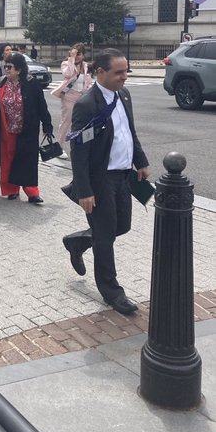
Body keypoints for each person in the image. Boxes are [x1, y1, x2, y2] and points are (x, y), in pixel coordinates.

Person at [61, 47, 150, 316]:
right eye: (119, 72)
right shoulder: (87, 104)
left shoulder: (124, 94)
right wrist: (85, 189)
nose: (125, 76)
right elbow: (80, 150)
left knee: (120, 226)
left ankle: (78, 242)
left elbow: (128, 131)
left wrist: (141, 161)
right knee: (105, 237)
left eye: (126, 71)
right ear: (100, 72)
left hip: (123, 175)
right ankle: (112, 291)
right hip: (100, 179)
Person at [0, 52, 53, 203]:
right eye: (5, 66)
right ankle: (11, 189)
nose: (6, 69)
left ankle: (32, 192)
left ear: (19, 69)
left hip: (27, 129)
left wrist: (47, 124)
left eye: (10, 67)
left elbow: (41, 106)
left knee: (28, 161)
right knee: (8, 159)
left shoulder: (31, 84)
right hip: (6, 129)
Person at [52, 42, 92, 149]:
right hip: (69, 97)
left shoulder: (85, 66)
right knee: (66, 121)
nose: (77, 57)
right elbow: (68, 74)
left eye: (79, 54)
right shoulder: (66, 64)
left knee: (82, 122)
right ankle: (59, 147)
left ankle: (79, 144)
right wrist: (72, 59)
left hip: (82, 98)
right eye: (75, 54)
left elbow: (87, 81)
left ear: (83, 55)